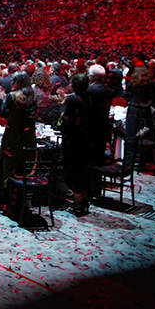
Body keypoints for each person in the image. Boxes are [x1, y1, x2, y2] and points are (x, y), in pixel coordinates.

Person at [0, 70, 37, 215]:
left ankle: (8, 204)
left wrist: (0, 99)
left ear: (18, 83)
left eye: (13, 81)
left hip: (13, 137)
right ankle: (21, 202)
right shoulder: (33, 96)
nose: (11, 84)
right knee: (23, 169)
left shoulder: (12, 96)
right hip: (28, 138)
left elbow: (2, 114)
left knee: (8, 169)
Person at [61, 73, 93, 216]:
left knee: (72, 171)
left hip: (73, 140)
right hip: (86, 140)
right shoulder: (89, 98)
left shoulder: (73, 100)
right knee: (82, 171)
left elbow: (67, 120)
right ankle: (83, 199)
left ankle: (77, 202)